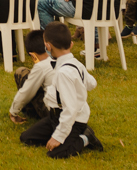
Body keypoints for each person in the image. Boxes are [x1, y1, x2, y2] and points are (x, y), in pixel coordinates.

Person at [18, 22, 102, 157]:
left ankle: (86, 137)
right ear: (71, 44)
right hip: (54, 116)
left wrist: (58, 137)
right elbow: (92, 83)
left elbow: (70, 110)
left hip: (74, 120)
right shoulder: (76, 64)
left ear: (48, 46)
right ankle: (62, 133)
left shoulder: (64, 73)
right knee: (26, 138)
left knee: (56, 154)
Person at [9, 30, 53, 124]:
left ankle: (31, 113)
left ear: (32, 55)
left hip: (53, 114)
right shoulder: (63, 59)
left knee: (21, 72)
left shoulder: (41, 67)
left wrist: (13, 112)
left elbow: (26, 91)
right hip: (75, 112)